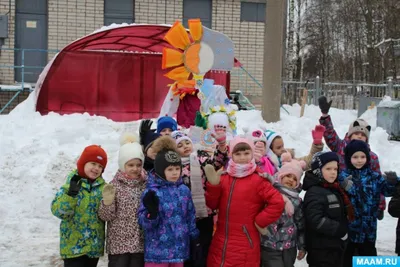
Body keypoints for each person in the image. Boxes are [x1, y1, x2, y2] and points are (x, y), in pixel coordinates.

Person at [204, 136, 285, 266]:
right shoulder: (224, 177)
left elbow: (278, 202)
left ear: (252, 154)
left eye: (246, 153)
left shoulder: (258, 180)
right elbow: (212, 205)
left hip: (245, 243)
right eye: (238, 154)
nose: (242, 157)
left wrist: (260, 221)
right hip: (220, 242)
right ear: (231, 155)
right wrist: (213, 187)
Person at [318, 95, 386, 220]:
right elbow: (330, 135)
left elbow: (378, 182)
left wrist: (380, 205)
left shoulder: (372, 157)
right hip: (342, 198)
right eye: (356, 133)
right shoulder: (341, 147)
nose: (359, 136)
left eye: (362, 134)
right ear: (350, 135)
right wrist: (325, 116)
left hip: (364, 203)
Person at [138, 136, 201, 267]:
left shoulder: (184, 190)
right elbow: (144, 223)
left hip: (179, 250)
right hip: (157, 253)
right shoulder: (152, 192)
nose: (174, 173)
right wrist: (151, 215)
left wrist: (194, 238)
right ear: (161, 170)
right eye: (170, 169)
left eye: (177, 169)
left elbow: (190, 215)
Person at [339, 140, 399, 267]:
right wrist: (341, 186)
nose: (359, 160)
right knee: (347, 260)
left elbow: (388, 191)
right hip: (349, 230)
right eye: (355, 157)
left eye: (362, 156)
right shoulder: (344, 177)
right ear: (349, 158)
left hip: (369, 230)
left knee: (367, 261)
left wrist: (393, 182)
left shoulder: (374, 177)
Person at [51, 145, 108, 267]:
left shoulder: (104, 188)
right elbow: (58, 211)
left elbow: (106, 215)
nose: (96, 168)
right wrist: (70, 195)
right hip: (73, 247)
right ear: (83, 163)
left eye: (100, 166)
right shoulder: (72, 183)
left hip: (93, 247)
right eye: (93, 163)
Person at [98, 133, 147, 267]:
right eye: (130, 165)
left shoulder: (146, 184)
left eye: (138, 164)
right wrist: (107, 203)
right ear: (122, 165)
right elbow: (106, 216)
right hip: (118, 245)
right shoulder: (114, 185)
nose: (135, 169)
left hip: (139, 243)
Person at [303, 152, 352, 267]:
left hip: (334, 247)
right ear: (318, 170)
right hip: (321, 250)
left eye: (335, 168)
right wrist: (339, 229)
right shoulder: (314, 191)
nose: (333, 172)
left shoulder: (333, 188)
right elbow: (315, 219)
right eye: (328, 168)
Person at [260, 158, 306, 267]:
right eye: (288, 176)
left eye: (295, 178)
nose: (291, 180)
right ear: (281, 176)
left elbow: (300, 224)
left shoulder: (297, 200)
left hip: (289, 246)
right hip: (269, 243)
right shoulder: (271, 192)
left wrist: (302, 246)